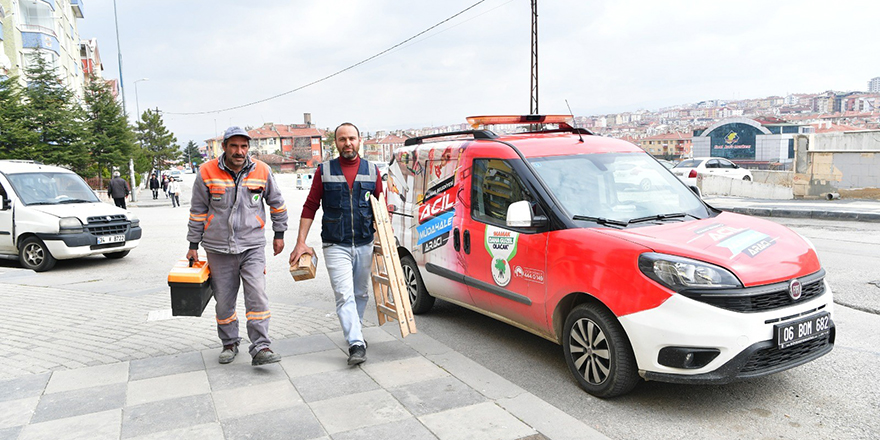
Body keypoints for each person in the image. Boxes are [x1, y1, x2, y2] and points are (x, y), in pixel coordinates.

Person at [186, 126, 288, 366]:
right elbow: (198, 211)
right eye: (234, 146)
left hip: (252, 246)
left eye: (243, 146)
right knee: (224, 301)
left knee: (257, 298)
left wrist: (279, 233)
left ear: (248, 148)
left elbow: (277, 203)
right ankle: (229, 343)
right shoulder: (206, 172)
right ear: (224, 147)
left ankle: (261, 346)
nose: (239, 151)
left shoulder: (262, 171)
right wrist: (192, 244)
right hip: (218, 248)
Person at [290, 122, 383, 366]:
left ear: (359, 140)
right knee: (344, 294)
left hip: (364, 242)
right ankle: (355, 343)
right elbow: (310, 206)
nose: (347, 143)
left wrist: (385, 239)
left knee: (360, 292)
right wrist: (301, 242)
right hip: (335, 244)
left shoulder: (373, 171)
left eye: (351, 138)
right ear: (336, 143)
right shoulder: (325, 171)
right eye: (342, 139)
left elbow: (381, 208)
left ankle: (357, 332)